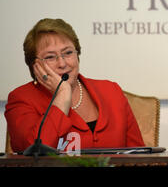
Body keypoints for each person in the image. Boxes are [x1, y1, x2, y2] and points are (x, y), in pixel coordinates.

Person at [5, 18, 144, 153]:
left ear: (78, 54)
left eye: (68, 53)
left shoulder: (111, 91)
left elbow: (139, 156)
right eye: (50, 57)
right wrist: (63, 94)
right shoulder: (21, 99)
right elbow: (34, 151)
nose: (62, 63)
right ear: (34, 65)